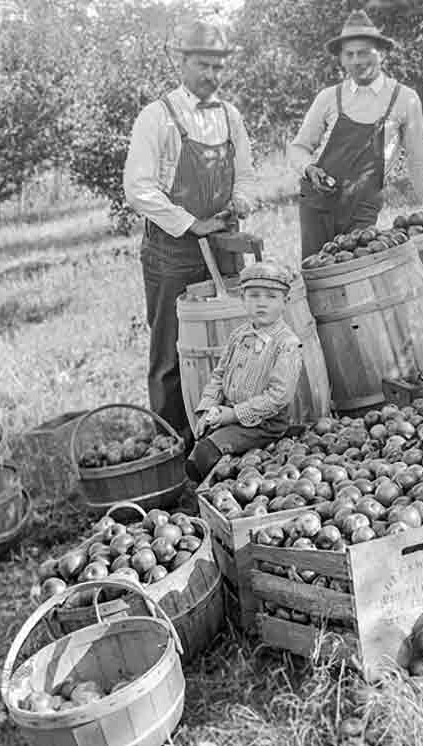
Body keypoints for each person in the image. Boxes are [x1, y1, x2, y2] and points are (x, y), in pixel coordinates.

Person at [123, 19, 260, 449]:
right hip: (173, 252)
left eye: (219, 67)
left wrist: (240, 200)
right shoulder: (158, 118)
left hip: (222, 248)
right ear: (181, 62)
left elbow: (248, 176)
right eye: (203, 65)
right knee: (171, 356)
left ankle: (226, 439)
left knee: (231, 345)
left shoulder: (230, 116)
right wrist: (188, 222)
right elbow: (138, 187)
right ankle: (173, 446)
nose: (212, 76)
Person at [289, 9, 423, 259]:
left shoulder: (403, 99)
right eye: (349, 54)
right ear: (341, 59)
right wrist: (310, 169)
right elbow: (298, 148)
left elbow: (419, 160)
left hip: (362, 206)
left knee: (356, 270)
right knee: (316, 273)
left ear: (381, 54)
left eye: (363, 53)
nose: (356, 61)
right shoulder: (329, 98)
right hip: (317, 203)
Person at [186, 262, 303, 482]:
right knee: (198, 441)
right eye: (254, 296)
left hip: (264, 423)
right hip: (231, 414)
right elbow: (219, 376)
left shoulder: (286, 344)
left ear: (285, 302)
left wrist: (235, 414)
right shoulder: (239, 336)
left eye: (271, 297)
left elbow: (279, 396)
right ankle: (206, 486)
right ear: (242, 299)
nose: (261, 303)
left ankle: (218, 485)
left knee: (206, 453)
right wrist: (207, 408)